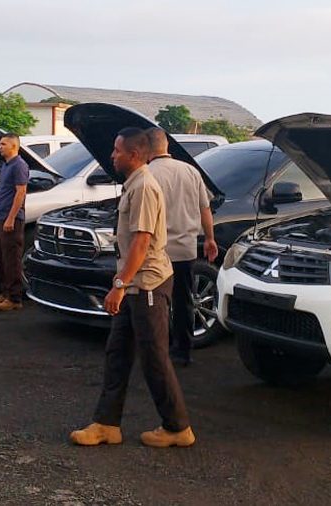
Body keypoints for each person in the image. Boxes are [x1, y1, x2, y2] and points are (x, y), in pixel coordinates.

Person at [70, 127, 194, 448]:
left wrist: (119, 286)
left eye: (116, 150)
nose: (112, 155)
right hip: (133, 286)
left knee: (154, 358)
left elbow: (141, 243)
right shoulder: (133, 184)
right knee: (117, 353)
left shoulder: (144, 188)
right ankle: (107, 424)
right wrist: (123, 285)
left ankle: (178, 427)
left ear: (134, 155)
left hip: (147, 285)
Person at [145, 128, 217, 367]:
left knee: (157, 303)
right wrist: (210, 239)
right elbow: (205, 208)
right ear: (167, 146)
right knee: (185, 300)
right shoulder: (190, 171)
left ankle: (160, 351)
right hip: (186, 249)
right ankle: (183, 352)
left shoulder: (146, 175)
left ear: (146, 148)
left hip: (158, 253)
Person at [0, 133, 28, 312]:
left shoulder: (19, 165)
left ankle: (14, 298)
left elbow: (20, 193)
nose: (0, 147)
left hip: (11, 219)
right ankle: (5, 292)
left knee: (12, 259)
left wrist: (11, 217)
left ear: (14, 146)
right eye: (0, 144)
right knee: (1, 257)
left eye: (3, 144)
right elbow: (3, 193)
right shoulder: (6, 165)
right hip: (0, 217)